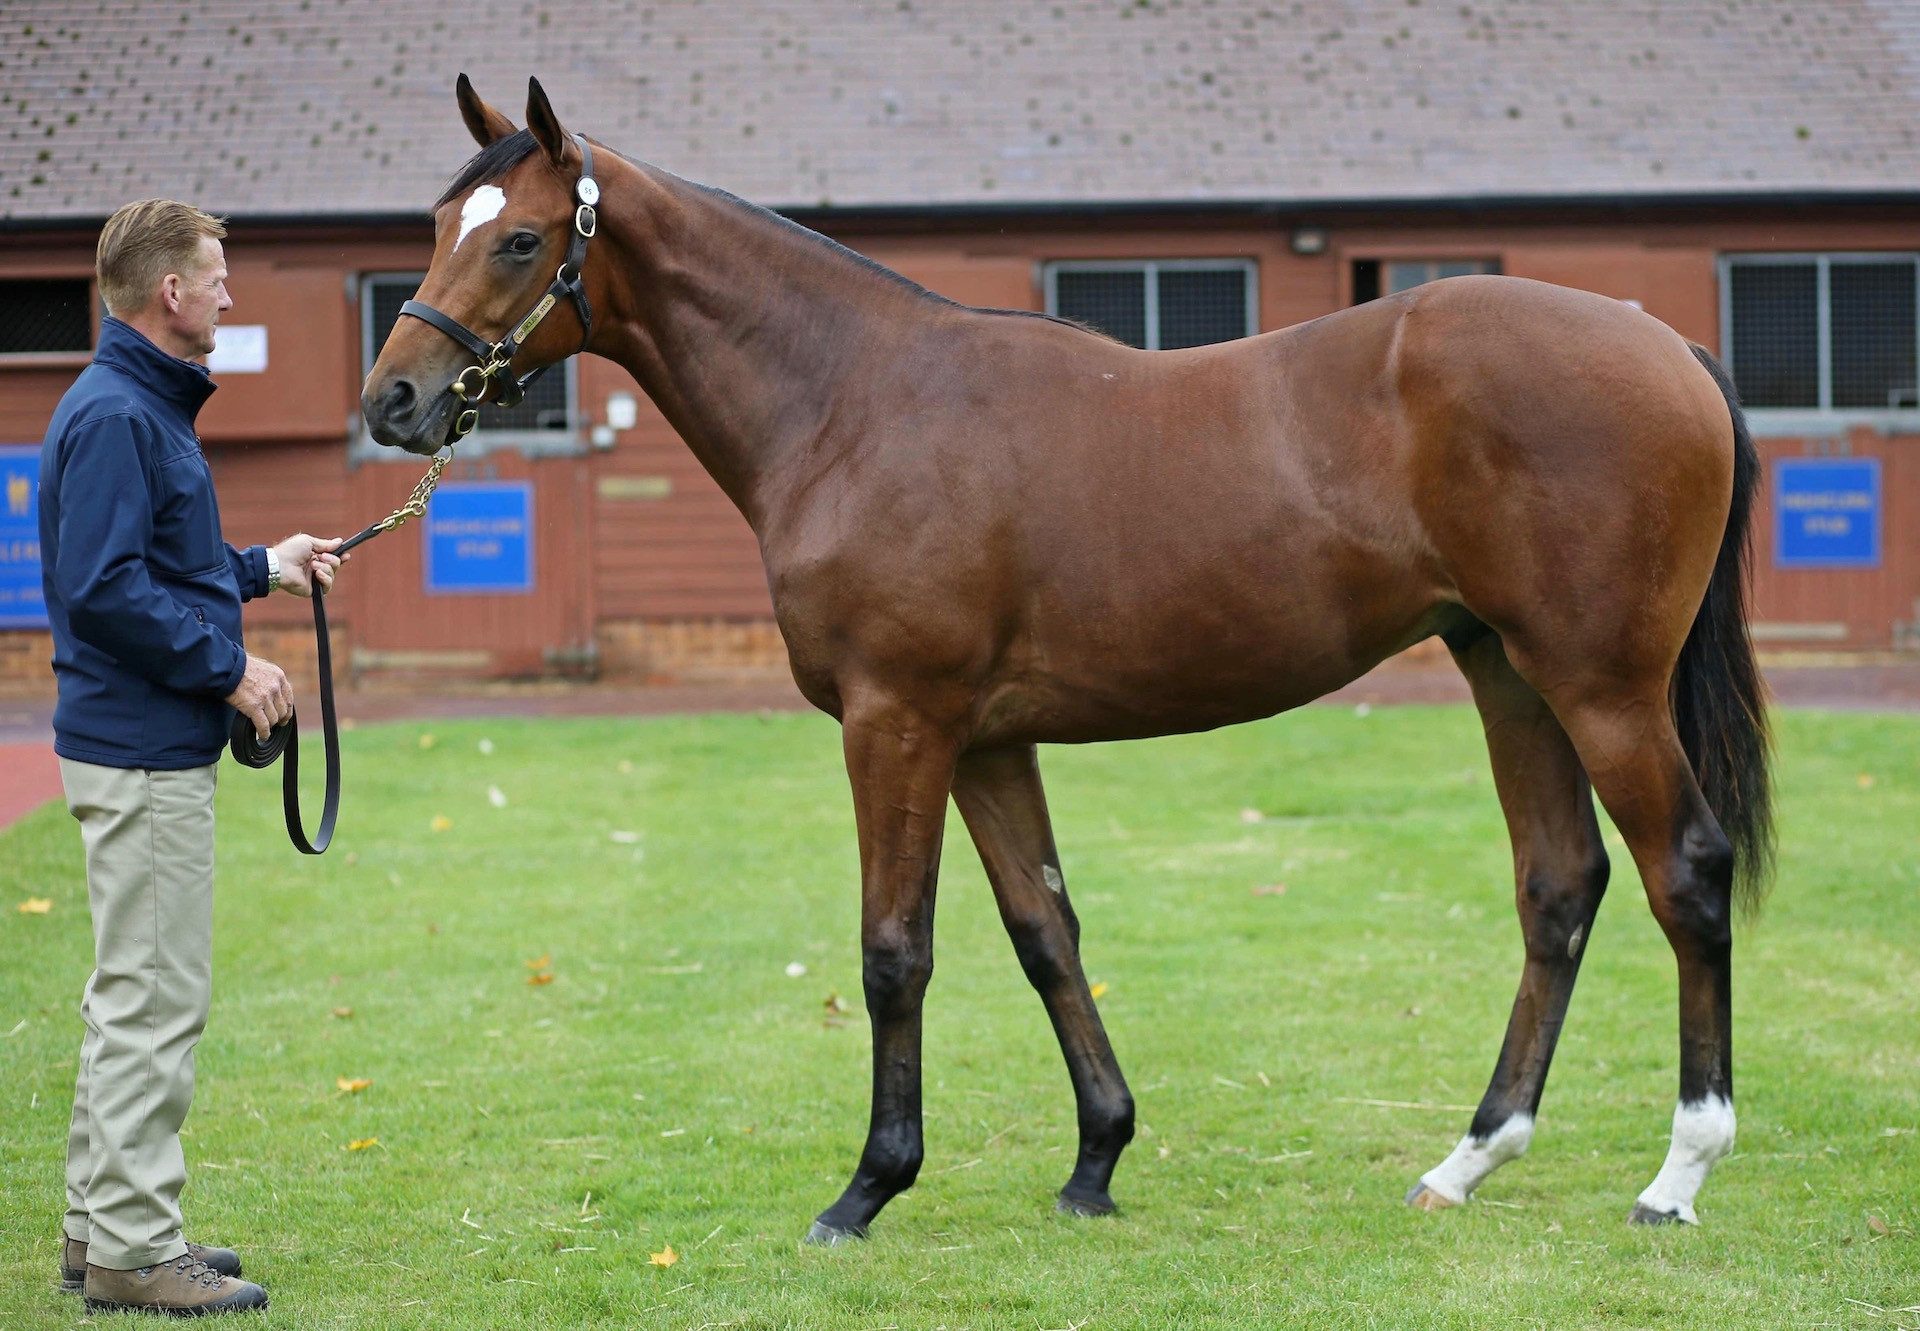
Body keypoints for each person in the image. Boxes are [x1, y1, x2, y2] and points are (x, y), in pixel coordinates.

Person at [39, 198, 346, 1317]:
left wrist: (264, 565)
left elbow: (155, 558)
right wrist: (230, 671)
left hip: (131, 744)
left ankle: (97, 1227)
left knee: (127, 992)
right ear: (171, 292)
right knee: (157, 998)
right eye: (217, 276)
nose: (229, 294)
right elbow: (105, 589)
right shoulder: (122, 413)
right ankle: (135, 1247)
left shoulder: (129, 405)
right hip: (144, 752)